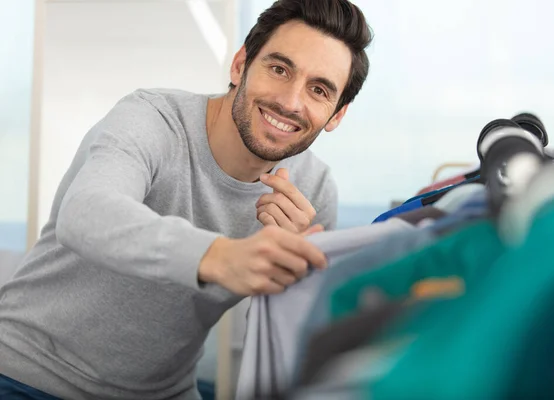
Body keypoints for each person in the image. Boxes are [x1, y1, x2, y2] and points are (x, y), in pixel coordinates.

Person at [0, 0, 372, 398]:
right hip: (26, 373)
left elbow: (304, 341)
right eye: (279, 69)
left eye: (318, 90)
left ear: (336, 114)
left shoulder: (314, 190)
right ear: (240, 64)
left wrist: (296, 276)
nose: (291, 101)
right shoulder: (153, 119)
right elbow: (85, 213)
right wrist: (219, 255)